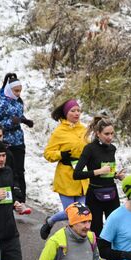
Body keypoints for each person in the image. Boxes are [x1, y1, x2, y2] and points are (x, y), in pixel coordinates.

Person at [39, 97, 87, 236]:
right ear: (66, 113)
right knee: (71, 213)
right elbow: (48, 154)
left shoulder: (84, 130)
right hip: (66, 176)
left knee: (81, 213)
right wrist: (61, 154)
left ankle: (76, 240)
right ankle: (50, 221)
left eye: (78, 110)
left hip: (82, 176)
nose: (77, 113)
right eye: (73, 111)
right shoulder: (59, 132)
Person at [72, 115, 119, 238]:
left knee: (114, 229)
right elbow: (76, 174)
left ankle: (111, 257)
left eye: (112, 134)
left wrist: (116, 175)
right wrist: (97, 171)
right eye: (106, 134)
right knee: (96, 231)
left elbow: (107, 171)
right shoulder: (90, 149)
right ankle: (95, 256)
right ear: (98, 133)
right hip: (95, 194)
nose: (110, 137)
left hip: (112, 192)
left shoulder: (112, 149)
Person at [0, 72, 30, 202]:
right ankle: (6, 199)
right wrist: (11, 122)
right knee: (7, 170)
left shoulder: (18, 102)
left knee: (20, 171)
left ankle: (20, 200)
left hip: (18, 141)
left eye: (20, 91)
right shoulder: (1, 102)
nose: (18, 93)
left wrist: (25, 121)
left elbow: (18, 117)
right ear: (9, 89)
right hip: (5, 143)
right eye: (16, 91)